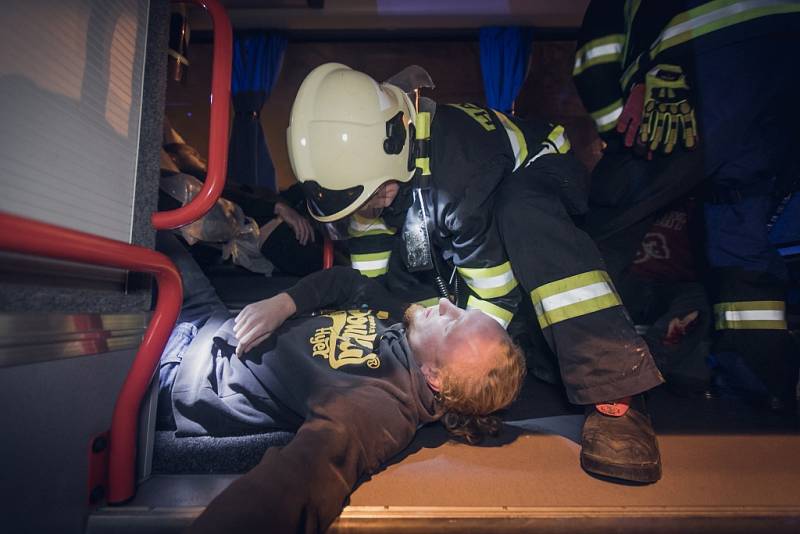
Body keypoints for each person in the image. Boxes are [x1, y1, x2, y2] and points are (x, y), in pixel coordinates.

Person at [285, 62, 666, 483]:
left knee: (522, 213)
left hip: (541, 170)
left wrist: (461, 372)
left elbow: (496, 296)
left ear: (396, 146)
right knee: (413, 270)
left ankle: (616, 391)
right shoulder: (371, 163)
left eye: (372, 199)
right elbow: (372, 279)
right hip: (448, 194)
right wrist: (377, 338)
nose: (368, 211)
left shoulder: (459, 171)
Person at [154, 232, 526, 533]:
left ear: (434, 377)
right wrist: (284, 303)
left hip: (183, 367)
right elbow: (348, 282)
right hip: (213, 318)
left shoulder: (376, 407)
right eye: (461, 310)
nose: (446, 306)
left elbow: (292, 485)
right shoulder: (409, 324)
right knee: (153, 215)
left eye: (452, 323)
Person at [572, 0, 800, 411]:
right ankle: (763, 384)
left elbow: (594, 57)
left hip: (702, 56)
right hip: (786, 59)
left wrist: (620, 129)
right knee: (738, 218)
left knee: (601, 230)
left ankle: (588, 379)